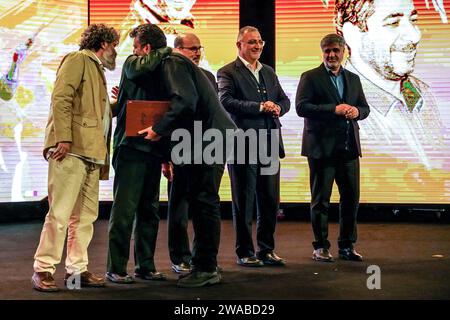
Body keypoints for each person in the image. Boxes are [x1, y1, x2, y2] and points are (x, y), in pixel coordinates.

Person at [138, 28, 236, 288]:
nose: (136, 56)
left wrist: (158, 129)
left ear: (147, 49)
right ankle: (206, 264)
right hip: (206, 138)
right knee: (204, 202)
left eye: (137, 49)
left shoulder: (172, 62)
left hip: (207, 139)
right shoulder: (179, 64)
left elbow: (185, 102)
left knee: (204, 203)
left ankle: (205, 269)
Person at [31, 24, 119, 292]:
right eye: (114, 45)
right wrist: (63, 138)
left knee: (85, 217)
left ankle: (76, 272)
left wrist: (120, 104)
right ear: (103, 44)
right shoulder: (79, 59)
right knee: (59, 213)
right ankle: (43, 269)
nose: (115, 52)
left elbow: (97, 114)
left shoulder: (97, 70)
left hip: (91, 153)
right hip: (71, 149)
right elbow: (61, 98)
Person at [334, 0, 448, 170]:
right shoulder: (336, 103)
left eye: (413, 20)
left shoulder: (421, 92)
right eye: (393, 23)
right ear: (351, 34)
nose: (415, 35)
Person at [217, 26, 290, 267]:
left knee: (270, 200)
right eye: (251, 42)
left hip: (269, 143)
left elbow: (284, 100)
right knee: (244, 201)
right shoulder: (227, 71)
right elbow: (226, 101)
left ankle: (266, 250)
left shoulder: (268, 71)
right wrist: (260, 107)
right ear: (239, 45)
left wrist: (278, 107)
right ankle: (244, 252)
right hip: (242, 145)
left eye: (259, 41)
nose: (257, 46)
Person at [106, 24, 172, 284]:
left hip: (152, 149)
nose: (131, 52)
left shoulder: (162, 70)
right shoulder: (133, 63)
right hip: (130, 148)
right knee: (124, 210)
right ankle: (116, 268)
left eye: (135, 46)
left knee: (149, 210)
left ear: (145, 47)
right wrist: (167, 49)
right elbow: (140, 65)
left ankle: (145, 266)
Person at [296, 33, 370, 262]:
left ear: (344, 52)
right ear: (323, 52)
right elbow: (301, 107)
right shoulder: (310, 77)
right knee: (321, 201)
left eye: (335, 50)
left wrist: (357, 112)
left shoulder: (354, 79)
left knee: (350, 199)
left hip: (348, 149)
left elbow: (364, 108)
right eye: (327, 51)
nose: (331, 55)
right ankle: (320, 246)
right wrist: (333, 109)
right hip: (321, 150)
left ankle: (347, 246)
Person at [165, 32, 218, 275]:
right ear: (178, 50)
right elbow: (168, 114)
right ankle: (179, 257)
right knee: (178, 207)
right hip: (179, 149)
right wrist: (166, 157)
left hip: (205, 150)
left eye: (199, 48)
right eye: (191, 48)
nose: (197, 53)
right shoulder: (170, 74)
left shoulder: (207, 76)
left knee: (203, 208)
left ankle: (201, 260)